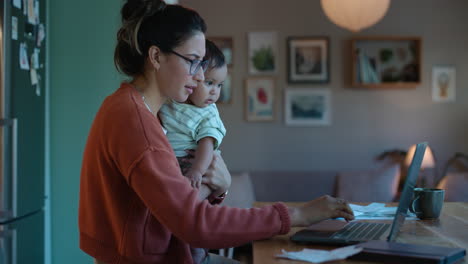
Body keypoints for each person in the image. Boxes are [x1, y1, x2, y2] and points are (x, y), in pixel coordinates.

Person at [78, 1, 355, 264]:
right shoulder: (136, 123)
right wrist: (298, 214)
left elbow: (168, 203)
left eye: (202, 64)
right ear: (156, 56)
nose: (199, 76)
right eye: (192, 61)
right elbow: (194, 223)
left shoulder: (136, 110)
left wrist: (215, 188)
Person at [159, 39, 227, 189]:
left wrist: (197, 170)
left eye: (219, 85)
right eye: (209, 83)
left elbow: (207, 145)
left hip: (193, 164)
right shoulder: (171, 101)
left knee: (192, 198)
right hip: (168, 163)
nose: (215, 91)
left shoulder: (208, 114)